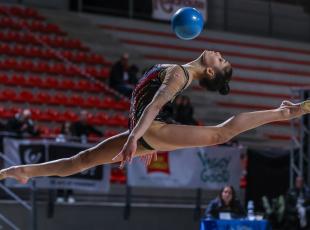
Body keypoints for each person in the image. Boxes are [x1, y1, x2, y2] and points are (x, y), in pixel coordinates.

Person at [0, 50, 310, 184]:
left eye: (221, 59)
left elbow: (154, 106)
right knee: (83, 159)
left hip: (150, 129)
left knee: (220, 134)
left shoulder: (177, 75)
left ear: (211, 70)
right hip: (149, 132)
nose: (219, 52)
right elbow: (144, 102)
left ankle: (285, 112)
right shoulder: (180, 70)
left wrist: (136, 138)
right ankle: (23, 171)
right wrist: (144, 139)